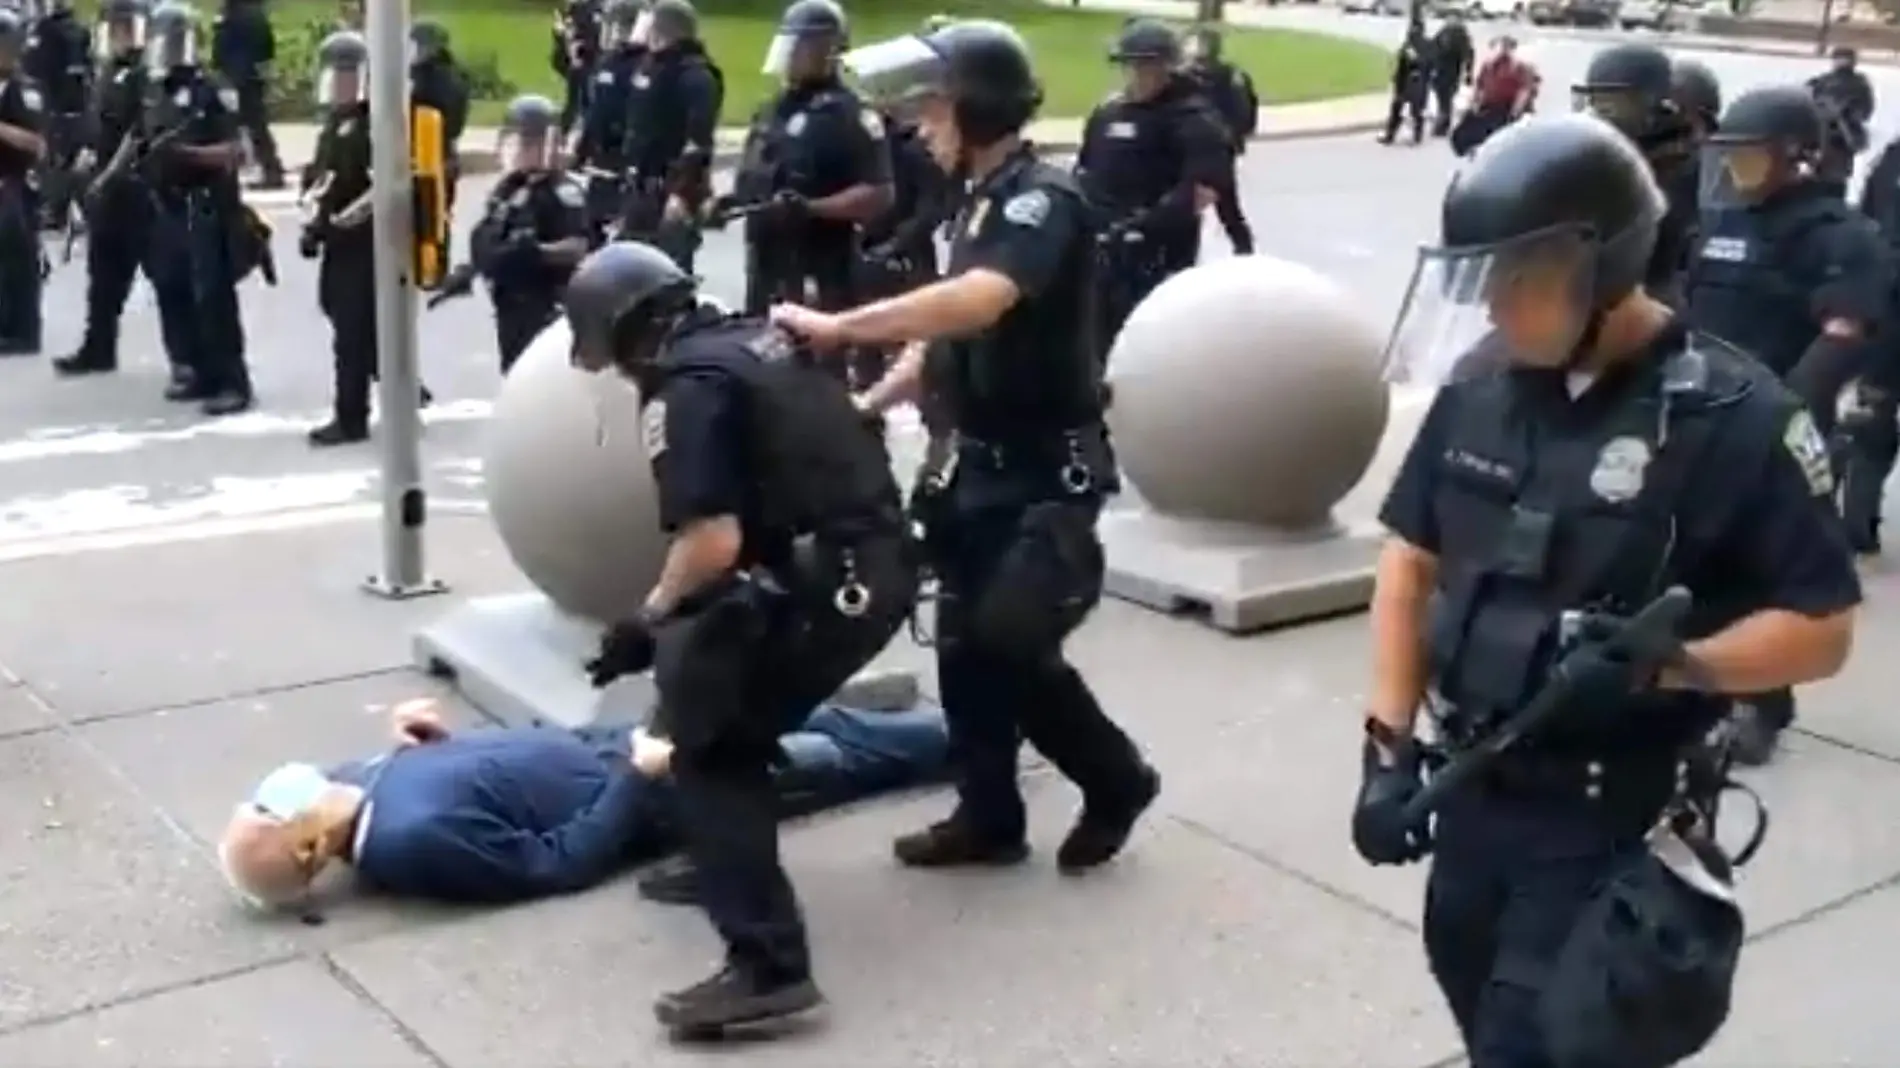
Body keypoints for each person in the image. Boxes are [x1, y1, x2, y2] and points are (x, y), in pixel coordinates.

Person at [1363, 112, 1859, 1067]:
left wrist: (1670, 667)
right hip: (1472, 792)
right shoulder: (1481, 388)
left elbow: (1824, 628)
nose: (1498, 304)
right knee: (1472, 990)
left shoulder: (1734, 415)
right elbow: (1408, 564)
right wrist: (1385, 749)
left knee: (1535, 1044)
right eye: (1485, 280)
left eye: (1521, 276)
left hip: (1607, 817)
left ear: (1605, 262)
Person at [777, 19, 1161, 877]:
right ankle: (987, 814)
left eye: (935, 104)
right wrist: (873, 401)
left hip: (1042, 473)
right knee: (960, 642)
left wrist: (841, 328)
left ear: (980, 107)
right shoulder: (980, 198)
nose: (919, 123)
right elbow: (947, 336)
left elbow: (978, 303)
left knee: (1012, 642)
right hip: (974, 463)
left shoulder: (1040, 202)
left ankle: (1117, 778)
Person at [565, 240, 915, 1035]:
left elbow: (711, 542)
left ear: (628, 333)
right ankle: (727, 855)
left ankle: (768, 966)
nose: (619, 374)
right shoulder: (760, 341)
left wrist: (646, 620)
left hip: (836, 582)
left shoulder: (683, 392)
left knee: (710, 748)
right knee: (731, 709)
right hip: (868, 561)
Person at [216, 694, 951, 909]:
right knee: (838, 753)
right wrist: (641, 776)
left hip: (615, 745)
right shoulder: (413, 840)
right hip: (654, 782)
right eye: (277, 806)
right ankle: (982, 741)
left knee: (816, 715)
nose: (291, 783)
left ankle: (979, 725)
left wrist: (434, 743)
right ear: (312, 847)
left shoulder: (360, 791)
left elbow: (479, 780)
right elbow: (555, 863)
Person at [1685, 86, 1889, 764]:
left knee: (1765, 577)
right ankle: (1698, 689)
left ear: (1796, 158)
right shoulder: (1720, 224)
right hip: (1697, 417)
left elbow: (1842, 335)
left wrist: (1776, 413)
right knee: (1690, 568)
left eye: (1750, 156)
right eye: (1729, 156)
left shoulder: (1838, 237)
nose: (1734, 170)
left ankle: (1763, 706)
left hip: (1775, 432)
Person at [720, 0, 891, 334]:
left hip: (818, 268)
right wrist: (732, 201)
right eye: (789, 44)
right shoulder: (772, 109)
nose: (790, 56)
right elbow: (760, 171)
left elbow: (879, 193)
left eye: (800, 46)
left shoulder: (849, 115)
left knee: (811, 369)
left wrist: (811, 208)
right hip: (766, 266)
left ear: (828, 51)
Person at [1074, 18, 1228, 353]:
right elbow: (1085, 171)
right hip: (1102, 251)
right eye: (1130, 65)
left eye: (1146, 66)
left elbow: (1201, 190)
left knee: (1153, 344)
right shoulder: (1108, 113)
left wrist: (1143, 227)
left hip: (1158, 252)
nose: (1137, 75)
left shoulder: (1193, 119)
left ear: (1168, 66)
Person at [138, 0, 253, 415]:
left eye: (172, 42)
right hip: (165, 203)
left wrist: (188, 154)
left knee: (212, 294)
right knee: (171, 286)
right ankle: (195, 367)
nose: (165, 51)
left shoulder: (212, 88)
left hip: (206, 202)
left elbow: (237, 151)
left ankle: (232, 380)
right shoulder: (155, 89)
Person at [450, 94, 592, 373]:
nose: (524, 150)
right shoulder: (509, 188)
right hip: (508, 305)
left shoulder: (562, 193)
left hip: (545, 304)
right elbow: (491, 232)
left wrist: (538, 252)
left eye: (532, 143)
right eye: (519, 142)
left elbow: (579, 246)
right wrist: (472, 268)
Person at [52, 0, 149, 378]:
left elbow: (137, 132)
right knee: (103, 272)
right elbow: (100, 123)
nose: (120, 34)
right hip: (106, 185)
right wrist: (86, 157)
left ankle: (192, 359)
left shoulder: (145, 74)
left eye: (127, 26)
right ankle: (98, 347)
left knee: (167, 274)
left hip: (136, 184)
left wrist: (108, 174)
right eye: (117, 26)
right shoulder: (109, 71)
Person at [299, 31, 386, 446]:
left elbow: (380, 189)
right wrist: (313, 221)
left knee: (352, 331)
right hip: (338, 241)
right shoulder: (334, 124)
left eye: (349, 78)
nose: (340, 86)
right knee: (337, 310)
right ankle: (393, 375)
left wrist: (341, 223)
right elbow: (321, 178)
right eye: (335, 77)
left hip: (366, 243)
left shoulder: (374, 127)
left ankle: (351, 416)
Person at [1573, 43, 1700, 304]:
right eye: (1596, 101)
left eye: (1616, 104)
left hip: (1650, 306)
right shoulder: (1591, 157)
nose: (1602, 114)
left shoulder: (1689, 166)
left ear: (1658, 104)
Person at [621, 0, 722, 273]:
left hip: (670, 192)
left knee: (668, 274)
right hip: (640, 187)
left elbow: (699, 141)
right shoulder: (650, 67)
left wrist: (681, 193)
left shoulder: (696, 76)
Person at [0, 10, 44, 357]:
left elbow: (36, 143)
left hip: (15, 183)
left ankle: (23, 332)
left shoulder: (24, 91)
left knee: (17, 257)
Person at [23, 0, 89, 229]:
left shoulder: (46, 30)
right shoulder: (80, 30)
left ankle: (54, 208)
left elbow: (34, 68)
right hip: (77, 104)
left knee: (53, 158)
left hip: (53, 104)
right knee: (70, 157)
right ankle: (72, 205)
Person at [211, 0, 281, 189]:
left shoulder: (236, 13)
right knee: (254, 125)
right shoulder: (250, 13)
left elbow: (222, 47)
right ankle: (269, 168)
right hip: (247, 76)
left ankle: (267, 169)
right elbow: (267, 48)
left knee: (240, 125)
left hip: (238, 77)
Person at [407, 20, 469, 225]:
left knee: (429, 225)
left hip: (431, 156)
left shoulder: (435, 79)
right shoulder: (453, 75)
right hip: (441, 155)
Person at [1451, 35, 1533, 157]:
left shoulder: (1518, 67)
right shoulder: (1489, 65)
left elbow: (1524, 89)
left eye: (1507, 47)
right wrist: (1473, 103)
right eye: (1500, 46)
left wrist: (1517, 109)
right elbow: (1479, 86)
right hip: (1488, 106)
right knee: (1467, 132)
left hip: (1506, 108)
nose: (1503, 50)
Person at [1807, 45, 1872, 199]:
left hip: (1843, 137)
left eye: (1846, 59)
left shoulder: (1859, 84)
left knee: (1837, 180)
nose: (1842, 63)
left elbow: (1865, 110)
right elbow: (1807, 101)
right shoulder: (1822, 81)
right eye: (1839, 59)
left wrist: (1847, 113)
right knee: (1818, 178)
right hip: (1822, 136)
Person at [551, 0, 602, 138]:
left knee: (585, 100)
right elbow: (564, 31)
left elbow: (595, 36)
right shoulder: (577, 8)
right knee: (576, 100)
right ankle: (565, 133)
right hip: (578, 59)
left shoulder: (597, 8)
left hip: (590, 58)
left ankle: (582, 135)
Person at [1379, 18, 1433, 146]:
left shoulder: (1411, 46)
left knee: (1404, 110)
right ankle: (1413, 136)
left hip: (1411, 82)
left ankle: (1392, 135)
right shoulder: (1425, 45)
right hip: (1416, 82)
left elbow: (1406, 64)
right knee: (1414, 111)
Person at [1428, 13, 1473, 139]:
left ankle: (1443, 124)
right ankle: (1442, 121)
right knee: (1442, 96)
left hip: (1451, 70)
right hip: (1440, 69)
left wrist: (1469, 72)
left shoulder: (1461, 35)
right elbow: (1433, 47)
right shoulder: (1443, 32)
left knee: (1446, 97)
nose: (1449, 20)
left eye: (1452, 18)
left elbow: (1468, 55)